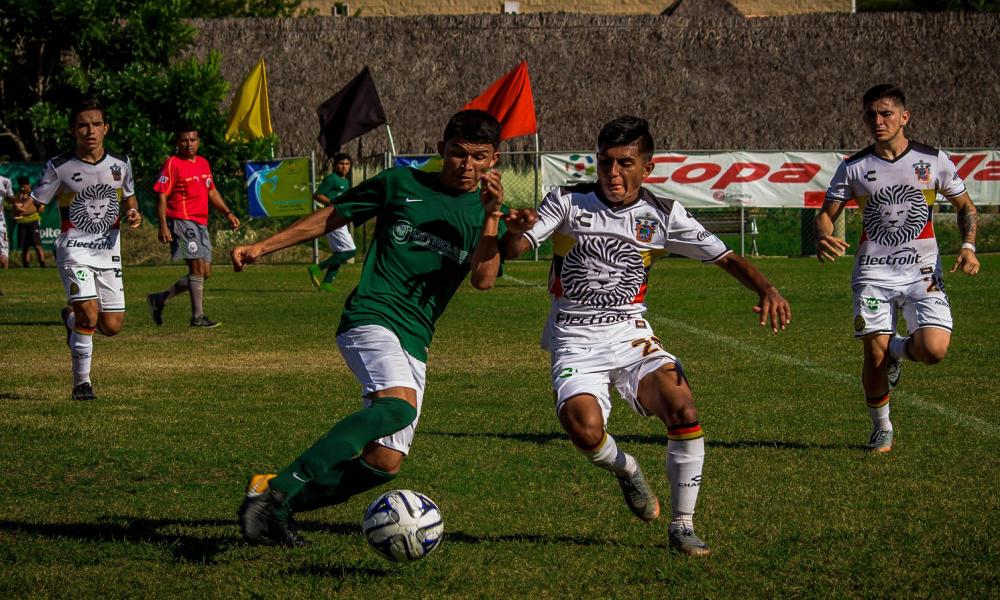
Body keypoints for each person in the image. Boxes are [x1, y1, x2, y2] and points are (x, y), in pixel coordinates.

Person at [502, 116, 791, 557]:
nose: (613, 174)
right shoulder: (566, 201)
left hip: (632, 335)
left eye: (624, 163)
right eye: (604, 163)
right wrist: (515, 230)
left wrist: (767, 288)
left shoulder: (663, 214)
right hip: (574, 338)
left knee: (682, 405)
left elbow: (724, 256)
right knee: (584, 430)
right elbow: (518, 247)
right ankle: (627, 468)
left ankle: (682, 525)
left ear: (647, 167)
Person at [232, 109, 511, 546]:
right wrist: (262, 246)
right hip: (371, 316)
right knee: (398, 408)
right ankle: (277, 490)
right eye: (458, 154)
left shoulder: (486, 211)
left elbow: (484, 279)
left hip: (416, 339)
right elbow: (332, 217)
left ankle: (276, 503)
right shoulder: (401, 184)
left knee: (384, 460)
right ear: (441, 150)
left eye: (479, 157)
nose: (467, 166)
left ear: (494, 159)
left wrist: (493, 217)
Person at [814, 84, 980, 453]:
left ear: (904, 117)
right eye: (871, 114)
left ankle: (898, 350)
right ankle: (882, 428)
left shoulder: (933, 160)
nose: (878, 121)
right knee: (873, 355)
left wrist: (968, 247)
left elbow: (966, 206)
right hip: (873, 276)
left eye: (886, 113)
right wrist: (823, 234)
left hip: (923, 274)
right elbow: (826, 214)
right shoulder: (854, 167)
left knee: (934, 350)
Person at [32, 99, 142, 401]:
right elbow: (36, 203)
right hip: (74, 250)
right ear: (73, 130)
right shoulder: (59, 166)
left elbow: (129, 198)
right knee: (90, 316)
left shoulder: (121, 164)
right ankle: (82, 384)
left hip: (109, 252)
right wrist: (24, 209)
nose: (90, 130)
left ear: (105, 128)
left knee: (112, 326)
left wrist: (133, 212)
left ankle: (70, 320)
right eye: (83, 125)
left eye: (96, 124)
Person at [147, 124, 240, 328]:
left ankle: (160, 298)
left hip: (201, 223)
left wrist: (228, 213)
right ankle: (198, 317)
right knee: (196, 267)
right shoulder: (172, 163)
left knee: (204, 272)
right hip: (181, 221)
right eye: (184, 140)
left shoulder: (203, 163)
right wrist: (163, 225)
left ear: (198, 141)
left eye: (193, 140)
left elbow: (212, 191)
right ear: (177, 143)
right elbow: (161, 195)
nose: (189, 144)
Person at [307, 152, 356, 291]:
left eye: (347, 164)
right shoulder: (332, 179)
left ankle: (327, 283)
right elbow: (317, 195)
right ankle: (317, 268)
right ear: (335, 165)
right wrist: (332, 202)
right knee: (350, 251)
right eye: (341, 164)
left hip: (340, 218)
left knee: (340, 252)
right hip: (331, 218)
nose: (344, 167)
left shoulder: (345, 181)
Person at [8, 176, 47, 268]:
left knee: (37, 245)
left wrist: (31, 206)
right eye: (21, 186)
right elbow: (14, 209)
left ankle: (43, 264)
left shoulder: (34, 195)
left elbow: (41, 209)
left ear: (28, 185)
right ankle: (26, 265)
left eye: (24, 186)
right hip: (22, 223)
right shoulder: (18, 196)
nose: (22, 188)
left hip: (33, 222)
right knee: (25, 246)